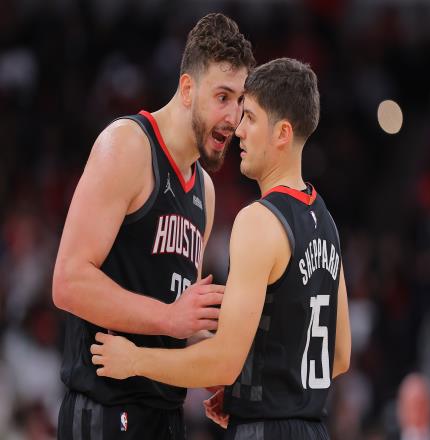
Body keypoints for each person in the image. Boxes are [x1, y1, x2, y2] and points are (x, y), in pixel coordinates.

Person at [90, 58, 351, 440]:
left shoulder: (259, 220)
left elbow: (223, 363)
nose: (238, 131)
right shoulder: (327, 223)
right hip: (313, 429)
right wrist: (255, 390)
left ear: (282, 133)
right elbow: (339, 355)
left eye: (251, 119)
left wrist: (134, 359)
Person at [52, 13, 255, 440]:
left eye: (240, 101)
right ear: (187, 89)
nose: (234, 117)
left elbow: (182, 323)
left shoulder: (205, 189)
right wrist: (169, 318)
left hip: (166, 415)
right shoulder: (128, 144)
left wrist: (217, 375)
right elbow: (68, 281)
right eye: (222, 97)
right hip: (107, 409)